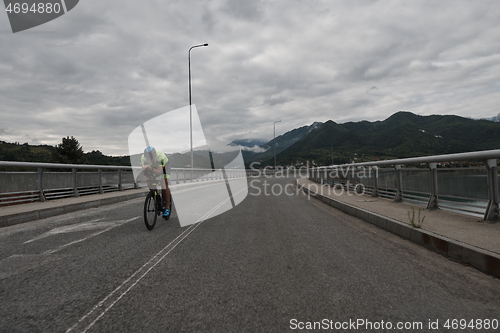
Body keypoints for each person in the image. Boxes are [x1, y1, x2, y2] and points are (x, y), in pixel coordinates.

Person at [141, 146, 171, 218]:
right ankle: (156, 197)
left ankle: (167, 207)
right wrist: (146, 171)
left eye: (151, 158)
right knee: (149, 181)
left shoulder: (161, 157)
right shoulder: (143, 158)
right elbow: (145, 173)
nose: (150, 160)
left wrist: (151, 169)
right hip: (153, 167)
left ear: (155, 156)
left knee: (164, 184)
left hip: (164, 168)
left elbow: (158, 172)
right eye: (148, 158)